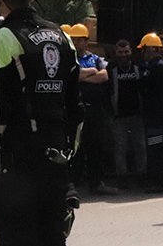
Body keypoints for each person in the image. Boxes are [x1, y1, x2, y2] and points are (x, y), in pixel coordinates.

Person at [0, 0, 83, 246]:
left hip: (16, 168)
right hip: (56, 165)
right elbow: (76, 107)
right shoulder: (64, 37)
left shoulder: (4, 38)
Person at [69, 23, 118, 195]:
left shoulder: (95, 58)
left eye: (79, 39)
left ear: (86, 41)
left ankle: (96, 182)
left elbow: (104, 76)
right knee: (76, 148)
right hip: (75, 108)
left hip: (95, 110)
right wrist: (90, 73)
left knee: (96, 146)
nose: (76, 43)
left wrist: (82, 76)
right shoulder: (68, 57)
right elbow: (71, 76)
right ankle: (73, 183)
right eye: (73, 39)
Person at [138, 32, 163, 192]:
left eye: (143, 50)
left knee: (156, 148)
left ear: (150, 49)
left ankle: (160, 182)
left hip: (156, 117)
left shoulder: (156, 67)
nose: (142, 53)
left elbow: (146, 89)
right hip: (158, 116)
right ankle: (162, 180)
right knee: (157, 148)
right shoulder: (159, 66)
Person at [109, 39, 146, 183]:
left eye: (126, 52)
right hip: (119, 116)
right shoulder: (111, 69)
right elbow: (107, 92)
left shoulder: (138, 67)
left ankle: (142, 176)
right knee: (120, 148)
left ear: (131, 52)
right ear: (116, 53)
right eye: (120, 52)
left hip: (137, 114)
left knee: (140, 146)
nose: (123, 55)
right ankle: (122, 178)